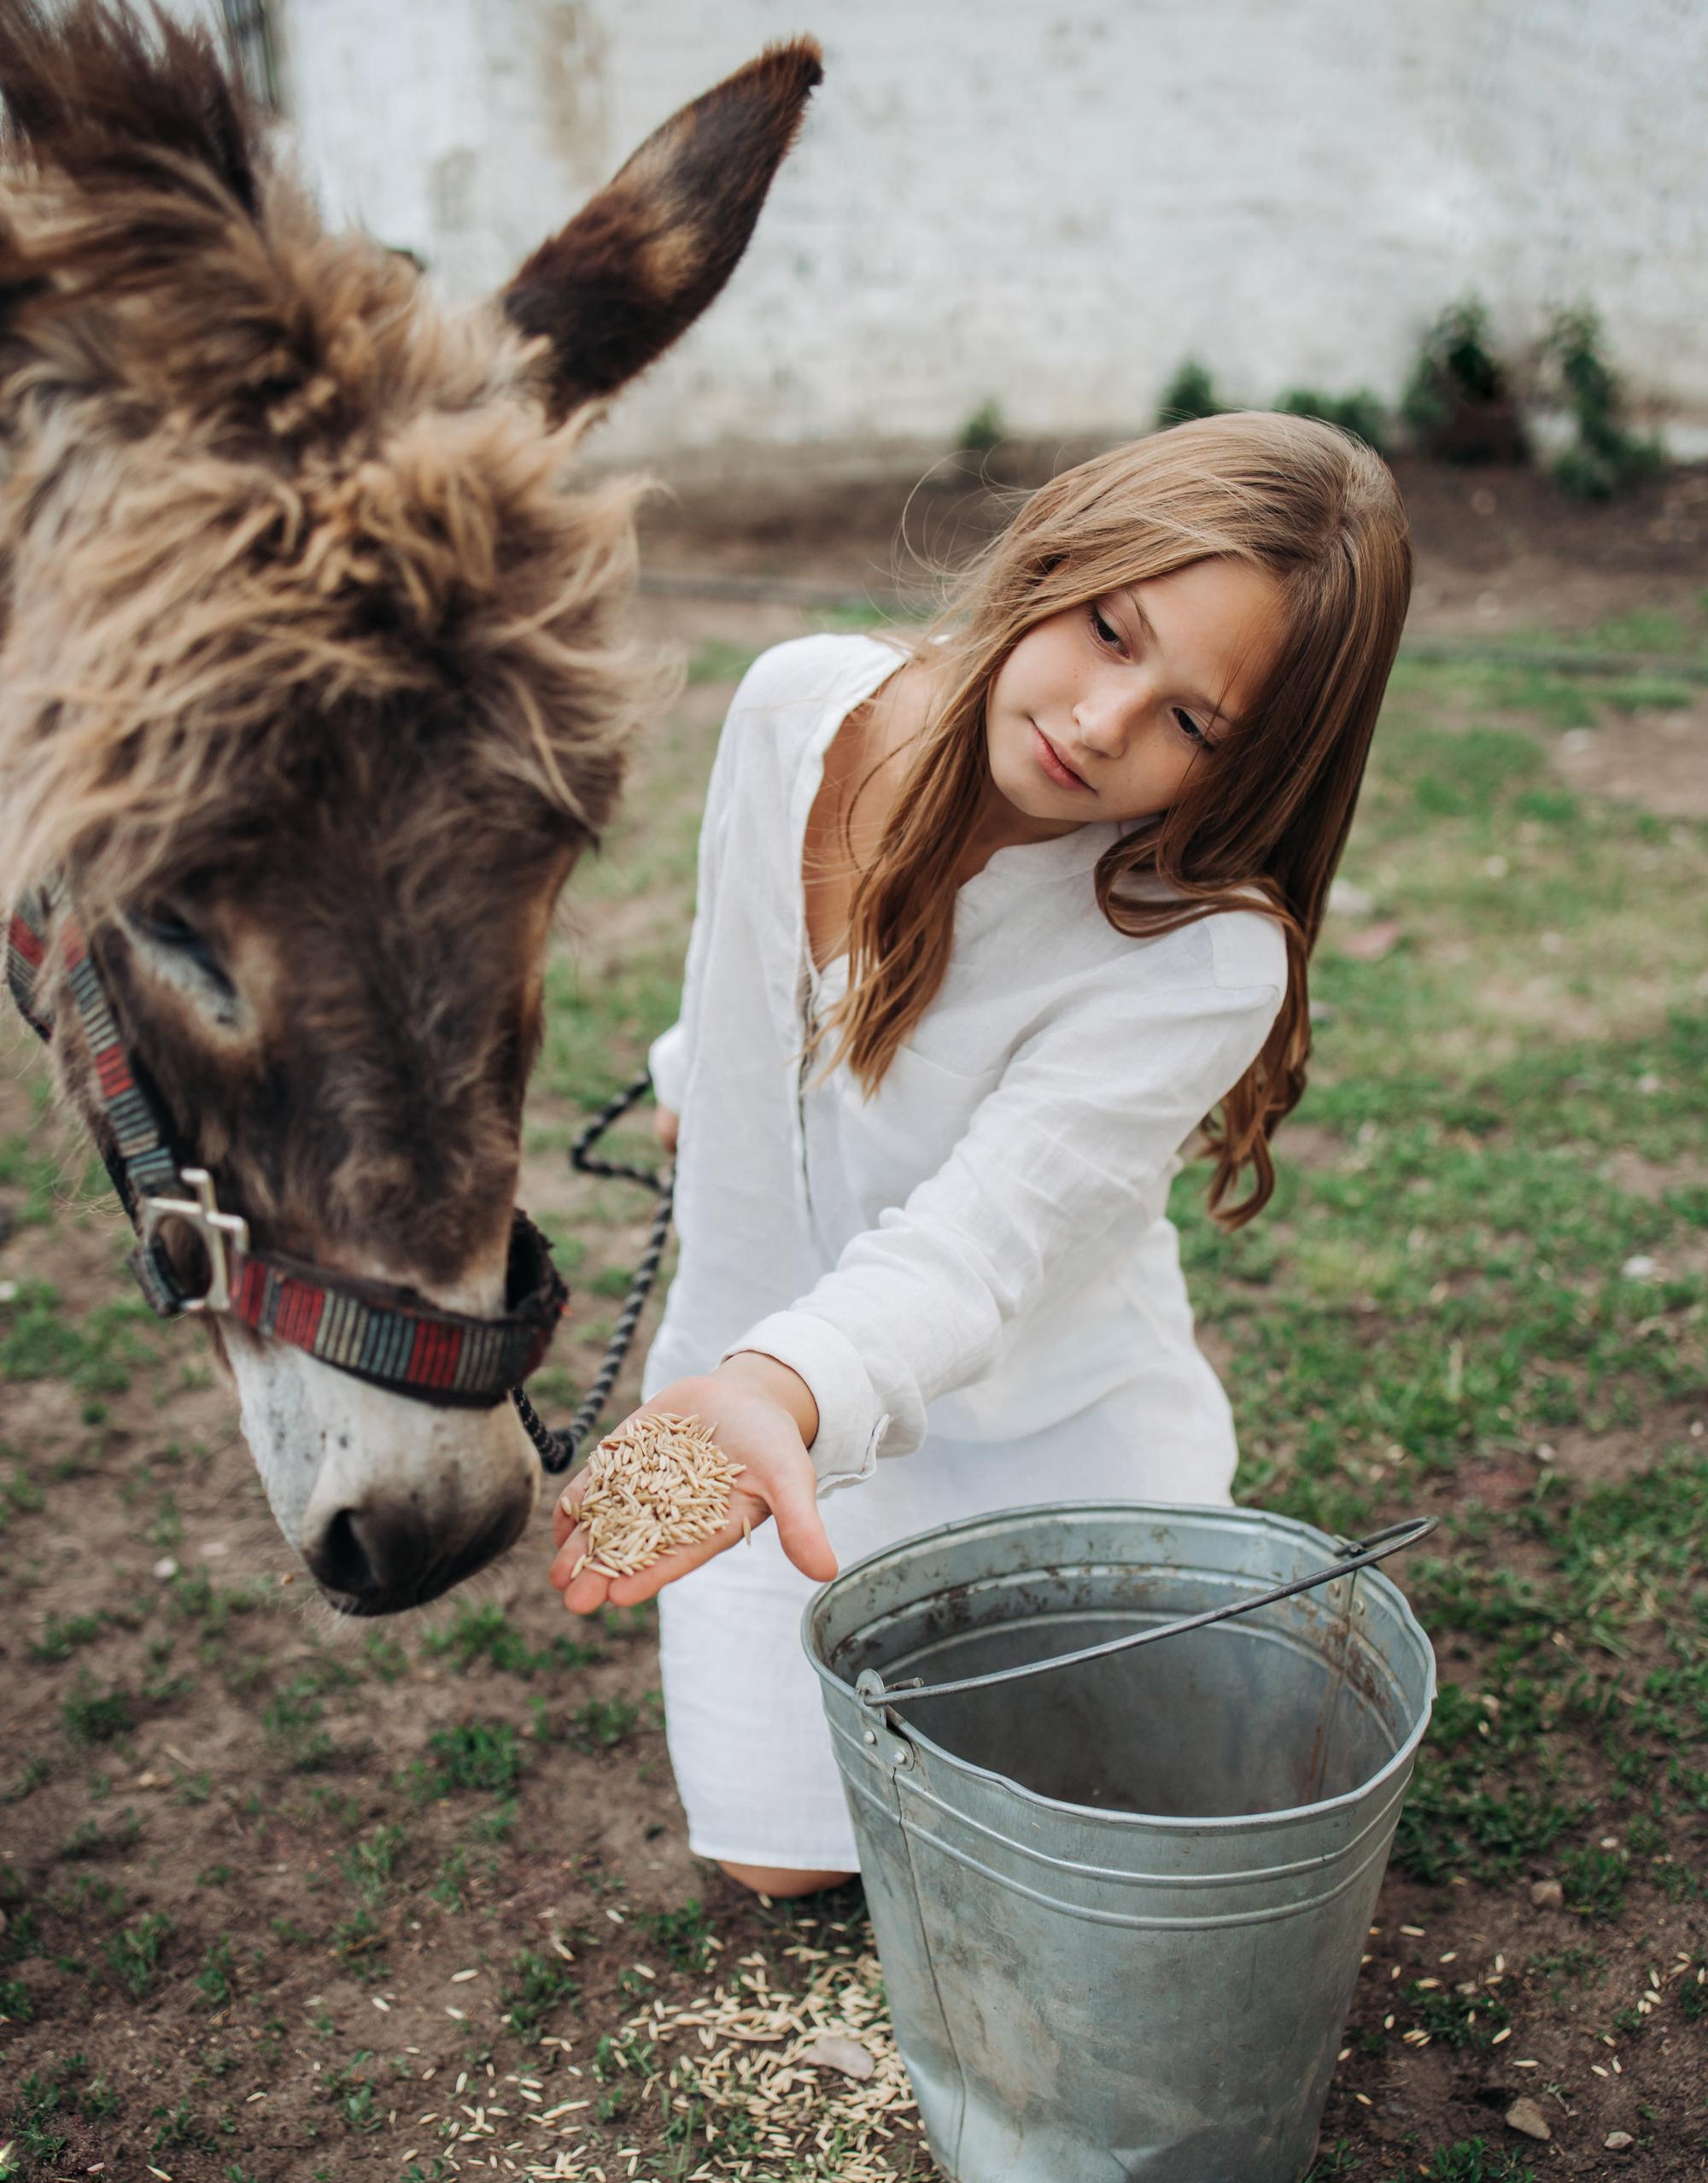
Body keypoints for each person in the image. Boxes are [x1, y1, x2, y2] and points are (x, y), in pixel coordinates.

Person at [547, 411, 1412, 1900]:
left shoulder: (1203, 953)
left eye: (1194, 722)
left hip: (1024, 1425)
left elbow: (979, 1255)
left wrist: (781, 1388)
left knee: (1100, 1809)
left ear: (1255, 767)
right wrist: (701, 1079)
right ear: (1059, 546)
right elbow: (730, 945)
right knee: (776, 1866)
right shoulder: (795, 704)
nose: (1101, 721)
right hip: (747, 1374)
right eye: (1109, 630)